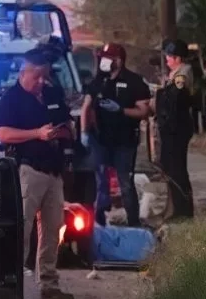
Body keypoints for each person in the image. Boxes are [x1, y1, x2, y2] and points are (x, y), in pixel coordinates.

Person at [0, 48, 76, 299]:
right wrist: (37, 134)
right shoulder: (11, 99)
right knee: (22, 228)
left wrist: (63, 132)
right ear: (24, 72)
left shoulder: (51, 93)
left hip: (54, 170)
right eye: (37, 76)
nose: (42, 81)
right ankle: (10, 285)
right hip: (29, 170)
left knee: (52, 230)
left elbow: (67, 122)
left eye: (45, 76)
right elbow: (3, 134)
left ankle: (49, 285)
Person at [80, 43, 152, 227]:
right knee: (99, 183)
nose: (104, 61)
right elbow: (86, 107)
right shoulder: (98, 81)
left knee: (125, 183)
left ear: (119, 61)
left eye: (108, 58)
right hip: (100, 140)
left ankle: (133, 223)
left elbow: (144, 111)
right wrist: (84, 133)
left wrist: (121, 110)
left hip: (124, 141)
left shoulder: (134, 82)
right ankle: (98, 223)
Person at [155, 38, 195, 220]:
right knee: (169, 168)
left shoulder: (183, 73)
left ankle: (183, 210)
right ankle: (176, 207)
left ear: (178, 58)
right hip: (171, 128)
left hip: (178, 128)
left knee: (177, 169)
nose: (167, 60)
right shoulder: (174, 74)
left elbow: (176, 94)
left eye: (169, 57)